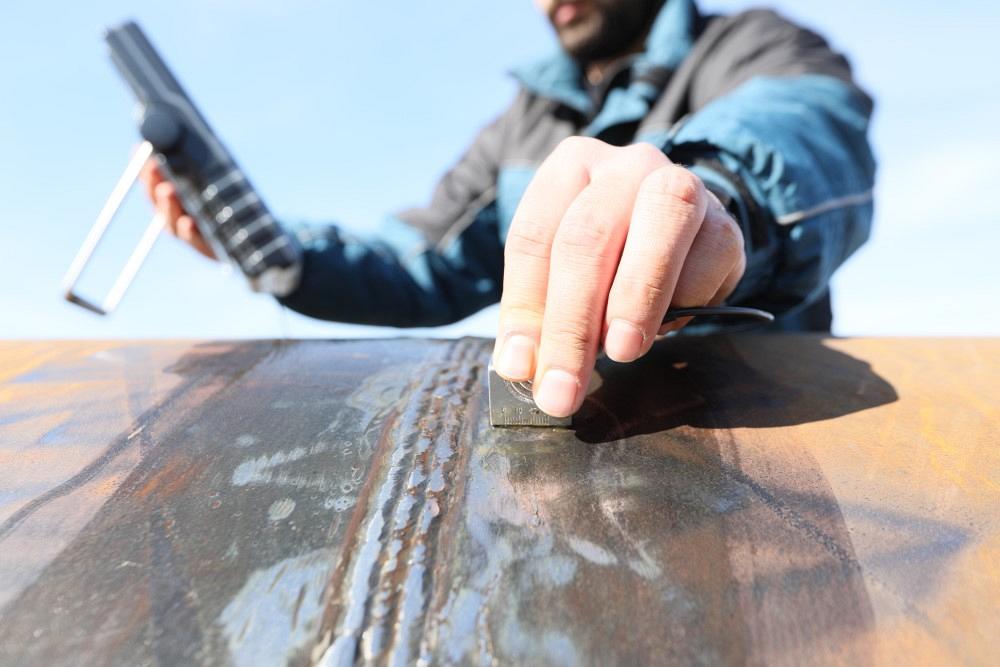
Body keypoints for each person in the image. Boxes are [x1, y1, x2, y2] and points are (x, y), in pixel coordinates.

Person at [142, 0, 875, 419]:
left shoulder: (754, 44)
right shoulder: (521, 123)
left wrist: (715, 197)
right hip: (573, 435)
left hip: (753, 424)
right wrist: (274, 248)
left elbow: (803, 130)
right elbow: (422, 264)